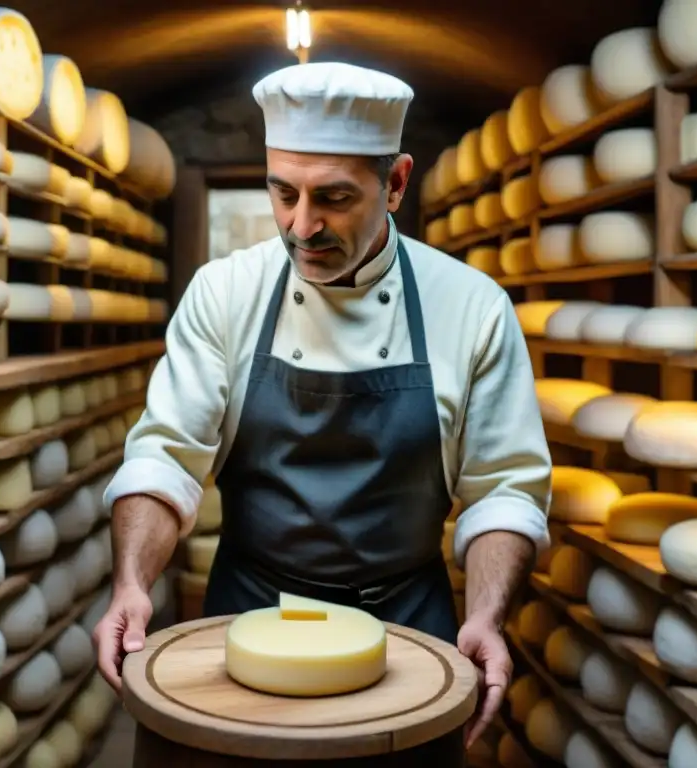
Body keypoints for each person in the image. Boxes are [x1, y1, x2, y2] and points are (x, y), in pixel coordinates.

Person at [93, 60, 552, 750]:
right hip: (248, 618)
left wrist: (486, 616)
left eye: (333, 198)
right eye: (283, 193)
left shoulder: (472, 307)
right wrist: (132, 582)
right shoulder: (225, 293)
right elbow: (165, 458)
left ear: (396, 183)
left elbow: (503, 493)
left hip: (409, 633)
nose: (301, 227)